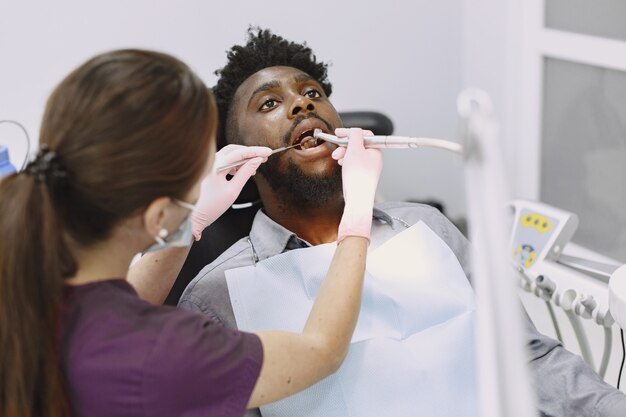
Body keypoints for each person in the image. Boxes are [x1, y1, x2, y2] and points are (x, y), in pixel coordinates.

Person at [178, 28, 626, 417]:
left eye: (312, 93)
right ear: (241, 157)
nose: (301, 105)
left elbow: (526, 360)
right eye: (270, 102)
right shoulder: (219, 295)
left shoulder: (428, 227)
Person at [0, 49, 383, 417]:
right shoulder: (168, 348)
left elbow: (119, 310)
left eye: (312, 93)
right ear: (157, 217)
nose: (301, 107)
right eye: (199, 177)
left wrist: (189, 222)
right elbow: (320, 351)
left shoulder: (31, 294)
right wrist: (357, 214)